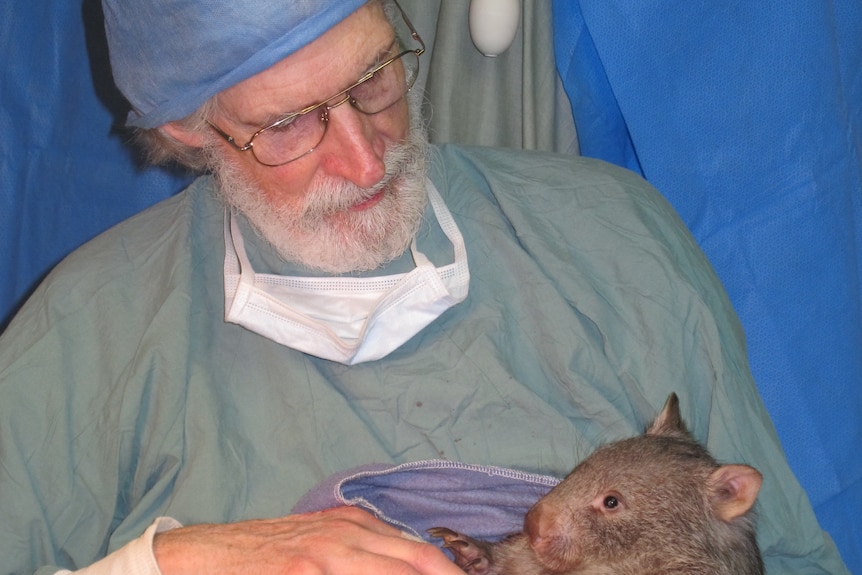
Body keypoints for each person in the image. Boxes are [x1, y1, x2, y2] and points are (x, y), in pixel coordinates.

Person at [0, 0, 849, 573]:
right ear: (189, 131)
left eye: (375, 76)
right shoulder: (86, 336)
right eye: (290, 123)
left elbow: (787, 557)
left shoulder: (616, 242)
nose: (367, 156)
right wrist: (182, 560)